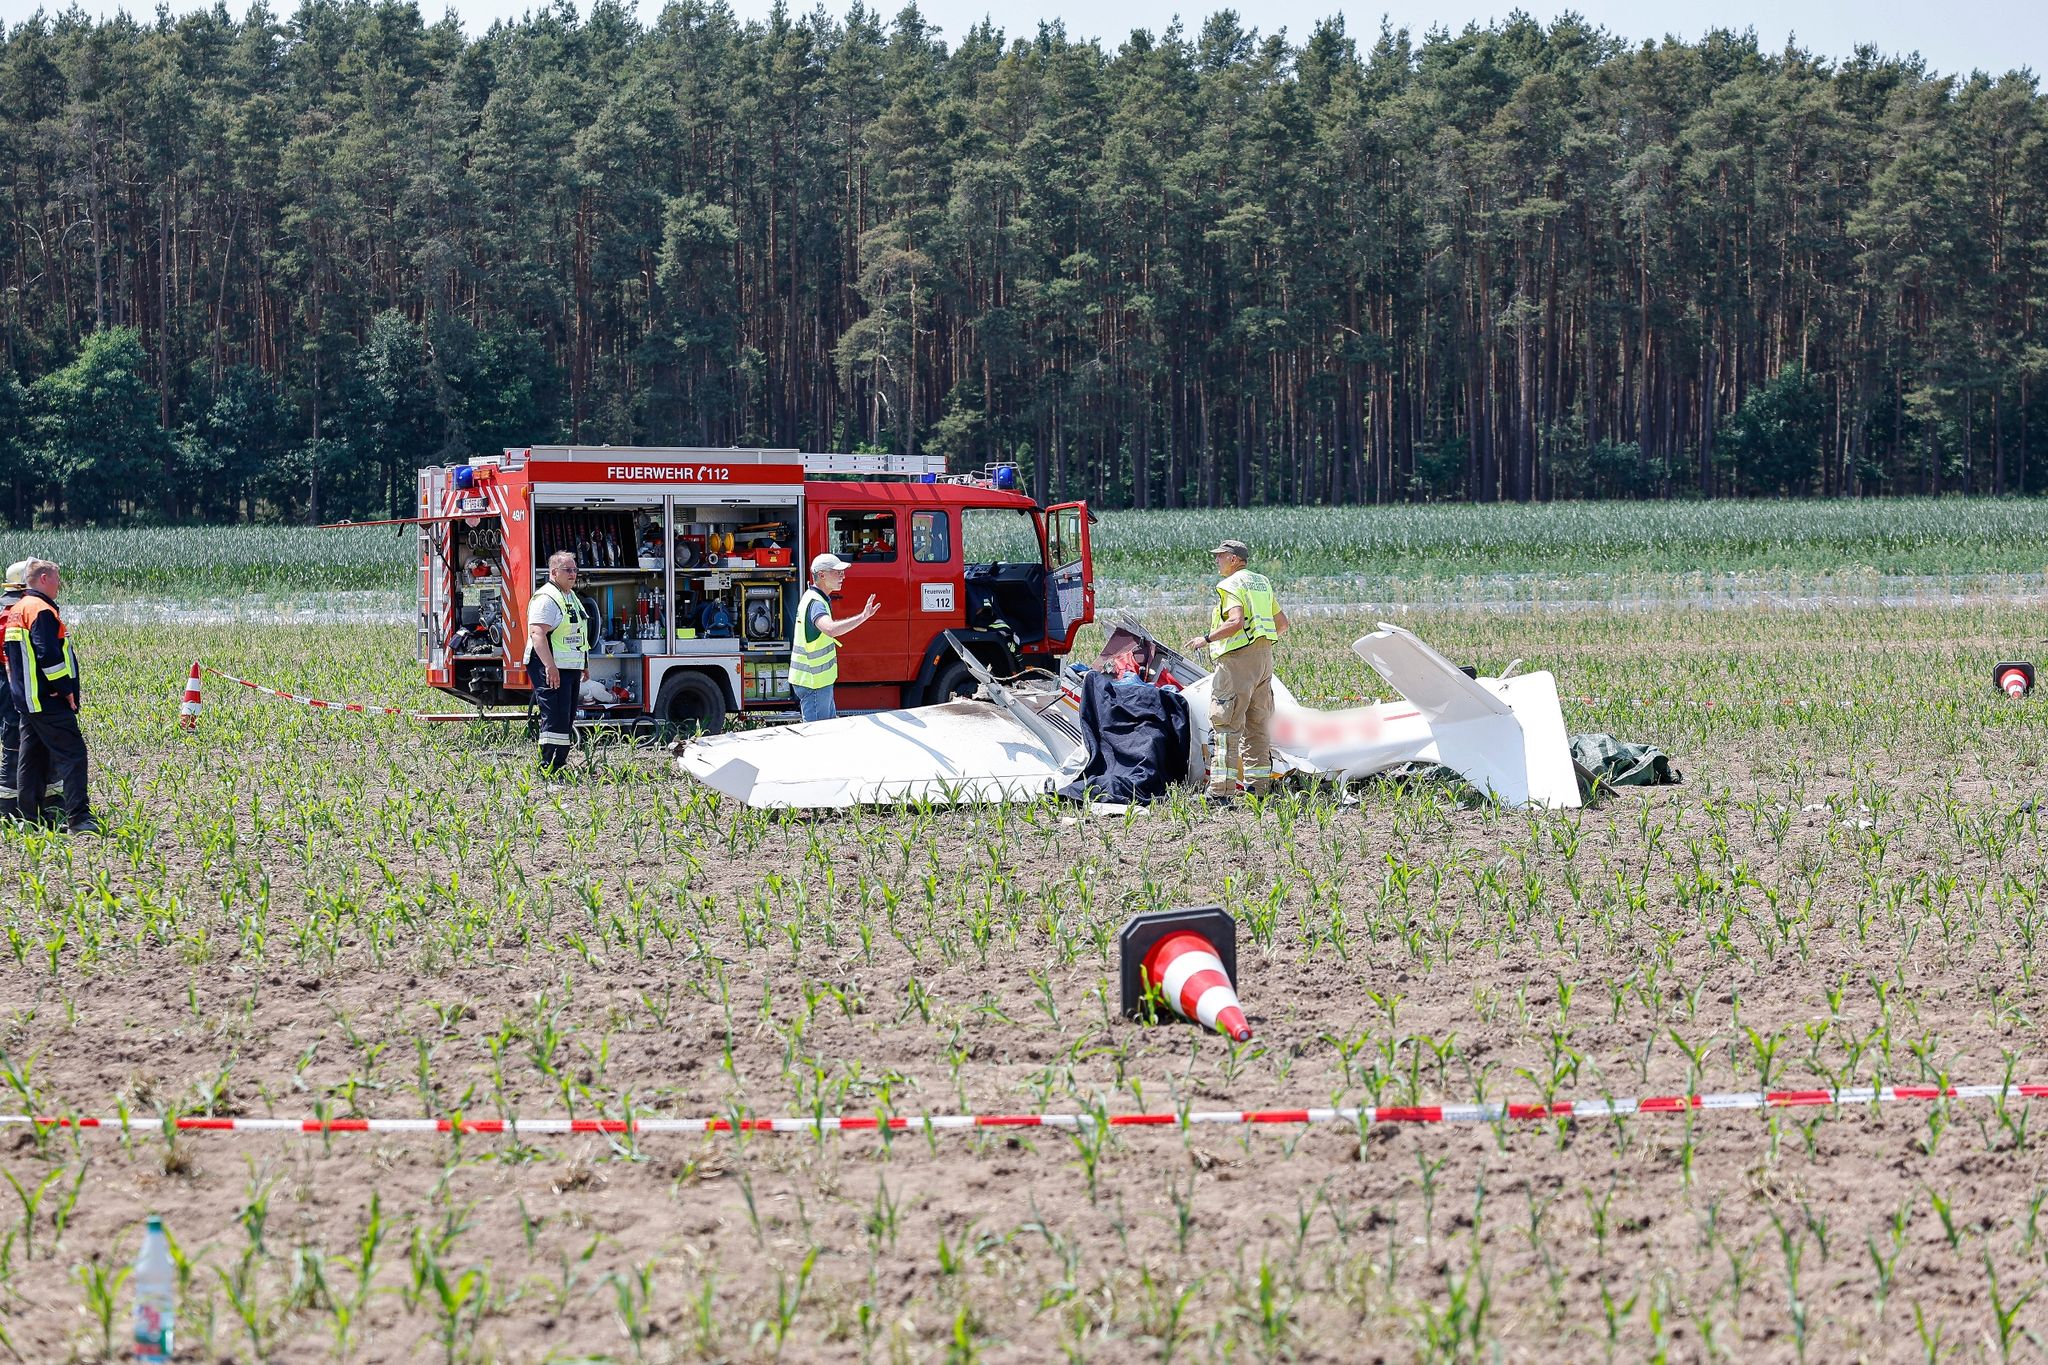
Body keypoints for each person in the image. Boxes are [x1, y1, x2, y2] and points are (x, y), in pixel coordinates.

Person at [1184, 539, 1289, 799]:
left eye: (1220, 556)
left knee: (1225, 726)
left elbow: (1235, 621)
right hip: (1264, 661)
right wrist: (1258, 640)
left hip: (1237, 662)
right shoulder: (1262, 582)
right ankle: (1259, 790)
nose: (1216, 561)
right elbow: (1282, 623)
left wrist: (1205, 639)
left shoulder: (1230, 584)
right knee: (1258, 727)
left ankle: (1220, 792)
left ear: (1233, 559)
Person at [2, 559, 101, 834]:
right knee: (73, 754)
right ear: (43, 578)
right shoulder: (40, 609)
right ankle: (79, 819)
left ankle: (29, 820)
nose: (60, 584)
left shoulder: (18, 609)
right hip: (48, 699)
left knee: (31, 759)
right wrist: (66, 690)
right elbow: (49, 656)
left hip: (26, 700)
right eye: (57, 578)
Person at [789, 552, 877, 722]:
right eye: (837, 572)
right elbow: (829, 629)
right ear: (821, 575)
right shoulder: (816, 603)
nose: (843, 576)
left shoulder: (815, 598)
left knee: (826, 733)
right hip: (814, 682)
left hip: (815, 681)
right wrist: (862, 617)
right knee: (818, 739)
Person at [526, 551, 589, 776]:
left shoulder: (569, 596)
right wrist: (550, 667)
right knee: (554, 716)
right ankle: (547, 767)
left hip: (569, 667)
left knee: (566, 716)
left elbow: (577, 632)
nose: (573, 574)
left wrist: (584, 663)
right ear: (554, 572)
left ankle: (559, 765)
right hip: (550, 666)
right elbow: (537, 634)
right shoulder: (547, 598)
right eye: (568, 570)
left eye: (575, 569)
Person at [0, 561, 26, 822]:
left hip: (8, 684)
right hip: (13, 686)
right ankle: (8, 809)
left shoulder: (6, 615)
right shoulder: (14, 618)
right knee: (15, 744)